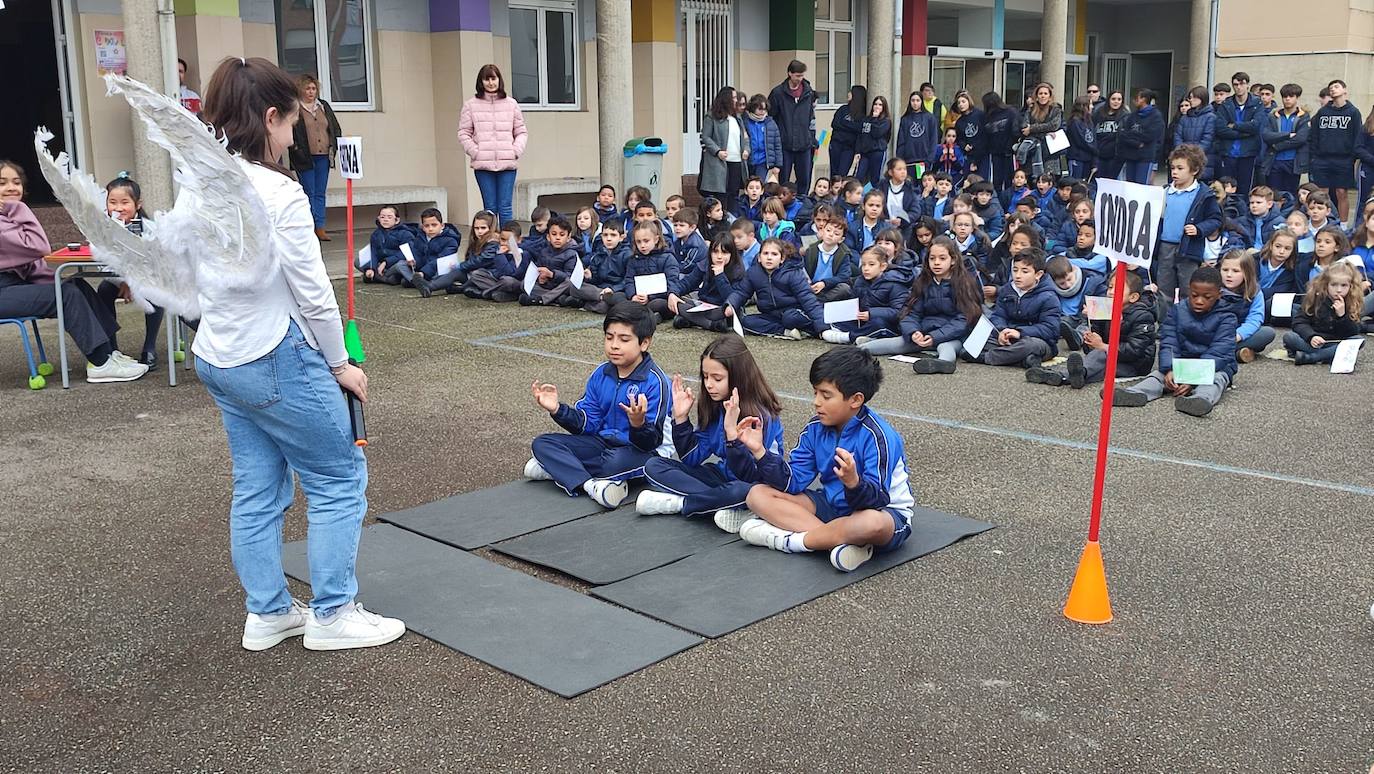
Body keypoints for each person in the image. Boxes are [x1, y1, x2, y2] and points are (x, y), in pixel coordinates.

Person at [195, 57, 403, 650]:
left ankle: (268, 613)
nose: (294, 135)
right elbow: (315, 295)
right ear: (268, 119)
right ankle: (333, 614)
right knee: (339, 477)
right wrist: (341, 365)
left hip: (218, 354)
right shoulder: (279, 192)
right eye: (289, 123)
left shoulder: (202, 179)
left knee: (257, 489)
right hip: (273, 355)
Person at [732, 346, 915, 573]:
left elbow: (876, 501)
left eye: (826, 395)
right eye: (815, 392)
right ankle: (836, 543)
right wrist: (760, 452)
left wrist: (853, 483)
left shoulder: (880, 436)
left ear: (856, 400)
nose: (817, 402)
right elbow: (793, 481)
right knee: (757, 494)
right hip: (833, 507)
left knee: (871, 524)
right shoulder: (815, 428)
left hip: (882, 512)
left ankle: (789, 541)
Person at [0, 161, 146, 383]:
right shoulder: (10, 216)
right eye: (2, 183)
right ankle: (100, 363)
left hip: (14, 286)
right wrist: (20, 208)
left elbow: (31, 264)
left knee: (75, 284)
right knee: (67, 295)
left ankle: (109, 353)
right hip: (4, 291)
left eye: (16, 182)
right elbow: (39, 247)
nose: (12, 188)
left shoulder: (8, 217)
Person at [527, 302, 670, 509]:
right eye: (609, 337)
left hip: (640, 451)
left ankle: (559, 470)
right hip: (602, 444)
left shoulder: (655, 382)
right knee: (543, 444)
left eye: (624, 339)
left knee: (615, 462)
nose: (614, 345)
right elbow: (587, 424)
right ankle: (590, 485)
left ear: (644, 343)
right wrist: (557, 409)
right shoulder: (601, 374)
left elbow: (652, 443)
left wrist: (637, 424)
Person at [637, 335, 784, 533]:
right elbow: (692, 458)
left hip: (754, 485)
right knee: (654, 465)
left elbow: (751, 476)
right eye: (705, 377)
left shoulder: (760, 416)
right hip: (722, 478)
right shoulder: (714, 406)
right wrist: (680, 419)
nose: (709, 384)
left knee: (741, 491)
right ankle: (721, 504)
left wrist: (733, 437)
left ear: (738, 377)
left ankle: (679, 504)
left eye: (717, 378)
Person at [1114, 266, 1237, 417]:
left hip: (1214, 367)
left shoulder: (1227, 317)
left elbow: (1219, 353)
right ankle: (1135, 393)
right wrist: (1170, 368)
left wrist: (1192, 379)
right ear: (1189, 290)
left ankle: (1199, 400)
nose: (1199, 301)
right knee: (1158, 376)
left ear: (1218, 294)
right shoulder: (1177, 310)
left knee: (1216, 380)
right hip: (1182, 363)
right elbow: (1169, 341)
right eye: (1194, 295)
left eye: (1207, 297)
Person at [1028, 268, 1159, 389]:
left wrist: (1102, 346)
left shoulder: (1143, 315)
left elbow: (1135, 350)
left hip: (1135, 364)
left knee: (1101, 358)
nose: (1111, 292)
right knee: (1099, 361)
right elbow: (1089, 349)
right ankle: (1072, 375)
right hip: (1106, 357)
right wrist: (1091, 328)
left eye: (1118, 288)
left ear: (1133, 297)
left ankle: (1064, 375)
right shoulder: (1105, 308)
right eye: (1110, 287)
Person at [863, 236, 980, 368]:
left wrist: (935, 337)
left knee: (946, 347)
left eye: (942, 258)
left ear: (953, 260)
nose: (936, 263)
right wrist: (913, 332)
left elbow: (965, 319)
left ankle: (942, 364)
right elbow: (910, 312)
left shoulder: (964, 283)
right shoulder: (922, 281)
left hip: (954, 336)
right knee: (897, 343)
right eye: (932, 258)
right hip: (924, 333)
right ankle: (857, 351)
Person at [92, 174, 166, 368]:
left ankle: (149, 348)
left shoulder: (150, 229)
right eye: (112, 202)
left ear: (137, 204)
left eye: (124, 202)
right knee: (103, 291)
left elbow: (156, 262)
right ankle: (112, 348)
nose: (118, 208)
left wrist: (134, 282)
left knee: (156, 295)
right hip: (115, 280)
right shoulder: (101, 229)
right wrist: (123, 282)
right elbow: (102, 263)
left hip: (147, 280)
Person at [457, 64, 527, 224]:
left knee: (505, 207)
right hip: (483, 165)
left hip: (507, 163)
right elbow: (463, 133)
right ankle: (490, 245)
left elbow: (521, 131)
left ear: (499, 80)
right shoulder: (470, 105)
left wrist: (515, 150)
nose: (490, 83)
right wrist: (476, 152)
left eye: (493, 78)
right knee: (489, 208)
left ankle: (508, 245)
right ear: (481, 82)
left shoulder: (511, 104)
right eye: (486, 79)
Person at [1156, 144, 1223, 304]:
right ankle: (1165, 323)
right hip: (1165, 246)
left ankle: (1186, 321)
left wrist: (1199, 229)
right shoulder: (1164, 191)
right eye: (1172, 168)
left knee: (1188, 288)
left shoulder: (1203, 194)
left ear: (1194, 170)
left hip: (1189, 247)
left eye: (1180, 168)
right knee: (1164, 289)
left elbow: (1216, 219)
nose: (1174, 172)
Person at [977, 247, 1061, 369]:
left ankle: (987, 358)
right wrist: (1002, 331)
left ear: (1038, 274)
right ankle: (1023, 361)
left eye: (1025, 271)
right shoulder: (1007, 290)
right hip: (1008, 338)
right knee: (979, 339)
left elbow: (1050, 329)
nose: (1018, 275)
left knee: (1030, 346)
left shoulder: (1048, 296)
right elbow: (998, 315)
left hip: (1037, 341)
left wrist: (1019, 332)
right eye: (1015, 270)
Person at [725, 238, 824, 339]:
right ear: (759, 257)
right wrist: (731, 305)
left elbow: (808, 299)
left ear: (782, 259)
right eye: (765, 253)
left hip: (795, 312)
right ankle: (785, 331)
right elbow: (742, 292)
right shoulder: (753, 273)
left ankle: (811, 330)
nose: (769, 257)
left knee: (790, 318)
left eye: (774, 254)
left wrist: (822, 327)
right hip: (771, 315)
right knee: (746, 321)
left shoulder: (793, 273)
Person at [820, 245, 912, 345]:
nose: (866, 268)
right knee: (835, 319)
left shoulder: (895, 283)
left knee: (878, 324)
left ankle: (847, 337)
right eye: (863, 265)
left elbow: (899, 312)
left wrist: (871, 314)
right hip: (863, 321)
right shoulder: (860, 281)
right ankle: (866, 337)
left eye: (871, 264)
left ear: (883, 266)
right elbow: (854, 301)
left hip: (888, 324)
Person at [287, 74, 340, 242]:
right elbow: (290, 131)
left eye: (313, 88)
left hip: (323, 155)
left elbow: (335, 128)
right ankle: (308, 228)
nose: (311, 92)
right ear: (301, 89)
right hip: (304, 157)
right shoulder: (295, 107)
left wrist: (334, 145)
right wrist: (296, 149)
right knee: (308, 193)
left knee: (320, 193)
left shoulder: (323, 106)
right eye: (307, 88)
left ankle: (320, 227)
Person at [1284, 262, 1364, 365]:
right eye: (1334, 285)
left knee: (1358, 340)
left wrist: (1342, 316)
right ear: (1326, 284)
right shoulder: (1315, 298)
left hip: (1334, 343)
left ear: (1351, 286)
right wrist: (1311, 336)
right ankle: (1326, 356)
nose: (1339, 290)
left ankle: (1312, 357)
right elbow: (1299, 322)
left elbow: (1353, 332)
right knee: (1289, 337)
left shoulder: (1352, 302)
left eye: (1344, 285)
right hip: (1313, 342)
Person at [1307, 78, 1363, 223]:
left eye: (1336, 87)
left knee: (1341, 192)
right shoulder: (1323, 112)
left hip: (1343, 160)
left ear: (1345, 90)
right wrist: (1314, 157)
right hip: (1322, 159)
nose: (1332, 89)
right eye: (1330, 87)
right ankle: (1323, 222)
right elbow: (1314, 135)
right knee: (1321, 193)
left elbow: (1357, 136)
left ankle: (1343, 225)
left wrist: (1352, 158)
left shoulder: (1353, 112)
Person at [426, 210, 508, 297]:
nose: (479, 231)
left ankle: (431, 287)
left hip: (487, 275)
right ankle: (430, 285)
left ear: (491, 228)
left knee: (462, 273)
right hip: (475, 273)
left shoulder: (493, 242)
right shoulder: (477, 240)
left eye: (483, 228)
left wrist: (461, 266)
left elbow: (482, 260)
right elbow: (471, 259)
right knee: (454, 272)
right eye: (476, 228)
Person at [767, 60, 818, 191]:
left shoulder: (809, 93)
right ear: (790, 73)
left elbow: (811, 118)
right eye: (797, 75)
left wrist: (812, 139)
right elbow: (770, 118)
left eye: (802, 75)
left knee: (804, 179)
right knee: (783, 181)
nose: (800, 79)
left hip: (804, 144)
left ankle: (803, 207)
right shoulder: (778, 93)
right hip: (785, 144)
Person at [1215, 250, 1275, 363]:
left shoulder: (1255, 292)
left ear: (1246, 273)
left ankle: (1224, 352)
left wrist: (1238, 335)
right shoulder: (1213, 288)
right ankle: (1237, 353)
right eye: (1225, 270)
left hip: (1238, 335)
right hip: (1216, 334)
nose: (1229, 275)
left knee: (1267, 333)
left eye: (1235, 271)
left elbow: (1255, 319)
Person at [614, 220, 680, 320]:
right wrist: (633, 296)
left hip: (658, 298)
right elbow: (629, 280)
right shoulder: (633, 260)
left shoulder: (667, 258)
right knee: (617, 297)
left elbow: (672, 281)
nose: (642, 245)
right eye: (639, 242)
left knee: (658, 304)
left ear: (656, 239)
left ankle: (647, 314)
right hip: (638, 298)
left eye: (646, 241)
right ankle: (644, 313)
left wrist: (650, 297)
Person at [1213, 72, 1263, 196]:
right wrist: (1245, 133)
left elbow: (1256, 127)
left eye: (1242, 84)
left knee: (1245, 189)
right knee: (1226, 188)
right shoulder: (1226, 104)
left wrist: (1234, 125)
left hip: (1247, 154)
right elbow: (1220, 129)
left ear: (1247, 85)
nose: (1238, 87)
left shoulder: (1257, 104)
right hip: (1228, 153)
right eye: (1235, 84)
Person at [699, 87, 750, 205]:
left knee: (734, 193)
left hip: (737, 161)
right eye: (733, 98)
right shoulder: (711, 116)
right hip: (720, 162)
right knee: (720, 194)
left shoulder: (737, 117)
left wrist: (746, 150)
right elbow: (706, 137)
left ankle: (731, 219)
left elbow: (745, 137)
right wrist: (717, 151)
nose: (735, 100)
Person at [1261, 84, 1309, 200]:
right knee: (1273, 195)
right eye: (1284, 96)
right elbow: (1267, 135)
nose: (1287, 99)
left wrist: (1277, 145)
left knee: (1291, 196)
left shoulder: (1303, 116)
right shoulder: (1273, 116)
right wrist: (1287, 135)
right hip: (1274, 161)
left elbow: (1300, 139)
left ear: (1297, 98)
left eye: (1291, 96)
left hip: (1293, 162)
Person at [409, 208, 462, 295]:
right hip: (423, 269)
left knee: (446, 274)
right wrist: (414, 262)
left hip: (438, 269)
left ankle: (428, 284)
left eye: (434, 225)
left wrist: (423, 272)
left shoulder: (451, 240)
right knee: (401, 265)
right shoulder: (420, 237)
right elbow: (417, 253)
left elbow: (441, 260)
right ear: (422, 227)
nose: (430, 229)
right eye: (427, 226)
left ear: (442, 225)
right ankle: (419, 281)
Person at [1118, 89, 1165, 184]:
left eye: (1136, 98)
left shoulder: (1156, 116)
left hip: (1145, 157)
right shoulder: (1132, 116)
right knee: (1129, 185)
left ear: (1143, 99)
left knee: (1141, 185)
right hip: (1131, 155)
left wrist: (1133, 134)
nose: (1133, 101)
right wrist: (1137, 142)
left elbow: (1150, 136)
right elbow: (1123, 134)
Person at [1019, 83, 1064, 178]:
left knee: (1049, 178)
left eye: (1045, 93)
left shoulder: (1055, 110)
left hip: (1050, 149)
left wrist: (1032, 128)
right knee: (1032, 178)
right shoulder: (1030, 110)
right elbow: (1024, 127)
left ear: (1050, 96)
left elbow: (1053, 125)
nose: (1043, 96)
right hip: (1033, 148)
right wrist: (1045, 131)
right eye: (1040, 93)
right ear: (1036, 96)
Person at [1256, 228, 1301, 321]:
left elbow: (1280, 292)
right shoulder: (1254, 260)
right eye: (1278, 246)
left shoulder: (1293, 270)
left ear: (1293, 251)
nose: (1281, 251)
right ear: (1271, 245)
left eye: (1287, 248)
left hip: (1271, 306)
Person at [1174, 86, 1217, 181]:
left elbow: (1207, 139)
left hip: (1202, 159)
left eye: (1194, 97)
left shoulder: (1210, 117)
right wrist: (1182, 152)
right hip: (1184, 158)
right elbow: (1178, 136)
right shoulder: (1185, 117)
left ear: (1201, 98)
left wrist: (1193, 154)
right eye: (1190, 97)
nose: (1191, 100)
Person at [982, 92, 1019, 190]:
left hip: (1005, 151)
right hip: (1001, 151)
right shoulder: (1011, 111)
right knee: (1004, 179)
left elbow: (1016, 131)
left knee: (1004, 179)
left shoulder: (989, 116)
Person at [897, 91, 939, 177]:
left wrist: (930, 159)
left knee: (922, 183)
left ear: (921, 101)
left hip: (923, 160)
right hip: (908, 161)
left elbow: (933, 139)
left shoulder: (929, 118)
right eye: (913, 100)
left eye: (917, 100)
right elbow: (901, 141)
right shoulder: (905, 119)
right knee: (909, 184)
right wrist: (900, 159)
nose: (915, 103)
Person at [828, 86, 866, 179]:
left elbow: (860, 127)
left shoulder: (862, 113)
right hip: (836, 143)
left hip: (849, 147)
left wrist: (845, 124)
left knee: (842, 173)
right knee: (834, 173)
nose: (848, 94)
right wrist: (851, 126)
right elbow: (835, 124)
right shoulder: (843, 109)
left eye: (850, 92)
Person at [854, 96, 892, 188]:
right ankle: (862, 197)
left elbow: (877, 133)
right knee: (859, 176)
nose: (877, 107)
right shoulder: (866, 119)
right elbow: (861, 135)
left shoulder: (885, 121)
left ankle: (875, 197)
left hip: (877, 151)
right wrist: (857, 151)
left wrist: (875, 119)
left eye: (880, 105)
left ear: (884, 107)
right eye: (875, 104)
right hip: (865, 153)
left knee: (875, 178)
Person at [743, 94, 782, 182]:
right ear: (753, 108)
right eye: (760, 109)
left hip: (763, 161)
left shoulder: (770, 123)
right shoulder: (745, 122)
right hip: (748, 160)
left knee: (759, 184)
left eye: (764, 109)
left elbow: (777, 145)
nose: (762, 112)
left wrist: (777, 165)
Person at [1093, 90, 1128, 182]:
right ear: (1108, 100)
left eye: (1119, 99)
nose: (1116, 102)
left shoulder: (1125, 116)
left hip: (1115, 157)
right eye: (1113, 99)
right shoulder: (1098, 114)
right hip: (1099, 155)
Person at [1235, 185, 1283, 250]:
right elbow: (1236, 240)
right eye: (1252, 203)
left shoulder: (1279, 222)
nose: (1254, 205)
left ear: (1269, 204)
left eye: (1258, 202)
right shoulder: (1242, 221)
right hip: (1246, 255)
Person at [952, 90, 987, 179]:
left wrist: (976, 146)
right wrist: (964, 145)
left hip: (983, 154)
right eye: (959, 103)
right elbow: (959, 139)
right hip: (969, 155)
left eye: (963, 102)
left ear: (969, 102)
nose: (961, 105)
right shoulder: (959, 122)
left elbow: (985, 134)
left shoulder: (980, 115)